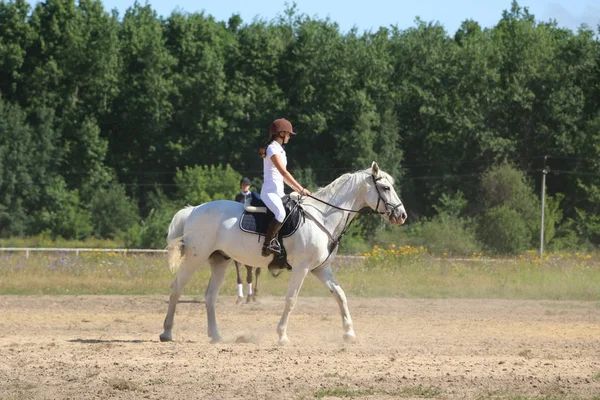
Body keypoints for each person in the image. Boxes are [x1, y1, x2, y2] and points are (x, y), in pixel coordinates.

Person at [259, 118, 311, 258]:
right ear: (281, 133)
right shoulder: (272, 149)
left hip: (279, 192)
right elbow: (284, 173)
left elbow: (283, 177)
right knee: (280, 214)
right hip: (269, 192)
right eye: (288, 134)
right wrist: (300, 189)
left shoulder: (281, 150)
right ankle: (266, 246)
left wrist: (297, 190)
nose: (289, 137)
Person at [234, 177, 260, 303]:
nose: (245, 187)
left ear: (249, 186)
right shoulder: (238, 197)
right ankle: (240, 294)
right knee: (237, 267)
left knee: (250, 268)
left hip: (249, 224)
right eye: (243, 185)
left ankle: (250, 292)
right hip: (239, 225)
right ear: (241, 186)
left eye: (247, 185)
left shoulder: (254, 197)